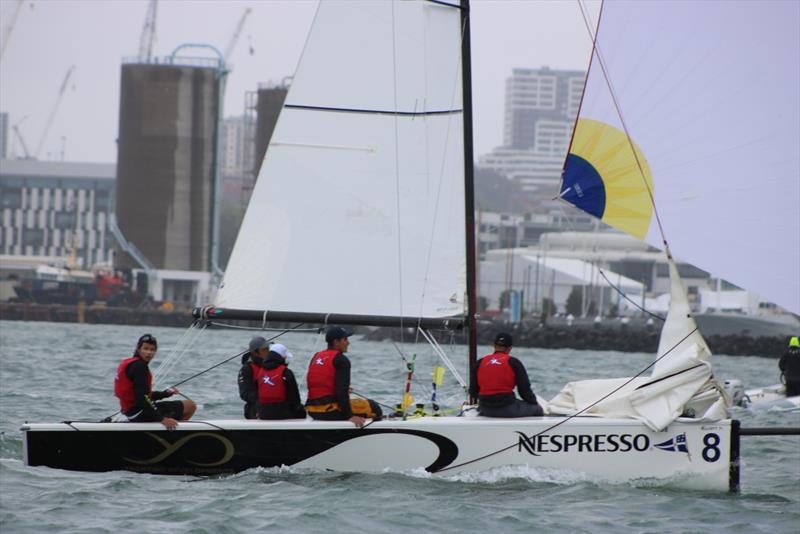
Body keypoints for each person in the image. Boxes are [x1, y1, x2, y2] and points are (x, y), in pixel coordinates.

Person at [114, 334, 197, 429]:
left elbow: (142, 395)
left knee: (186, 405)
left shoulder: (132, 363)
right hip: (140, 413)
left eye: (152, 349)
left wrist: (166, 394)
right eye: (145, 349)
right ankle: (172, 436)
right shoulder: (140, 367)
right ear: (138, 349)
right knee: (190, 406)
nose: (148, 353)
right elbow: (142, 399)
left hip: (132, 413)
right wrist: (162, 419)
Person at [306, 326, 382, 427]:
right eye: (345, 339)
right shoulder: (342, 360)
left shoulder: (316, 356)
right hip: (330, 412)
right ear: (336, 342)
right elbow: (341, 392)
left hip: (312, 411)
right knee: (374, 407)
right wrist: (349, 416)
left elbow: (319, 384)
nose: (348, 342)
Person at [469, 332, 544, 418]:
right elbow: (524, 391)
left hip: (485, 410)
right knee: (537, 409)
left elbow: (473, 392)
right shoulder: (513, 362)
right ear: (510, 348)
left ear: (494, 345)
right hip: (507, 409)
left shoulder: (480, 362)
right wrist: (534, 403)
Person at [256, 343, 307, 420]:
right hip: (282, 413)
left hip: (263, 413)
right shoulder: (286, 372)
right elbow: (295, 399)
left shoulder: (261, 371)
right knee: (301, 411)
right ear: (281, 357)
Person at [238, 336, 270, 419]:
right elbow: (245, 394)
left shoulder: (272, 365)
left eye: (268, 348)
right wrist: (265, 397)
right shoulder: (247, 369)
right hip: (254, 410)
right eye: (264, 349)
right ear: (255, 352)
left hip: (273, 407)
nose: (268, 351)